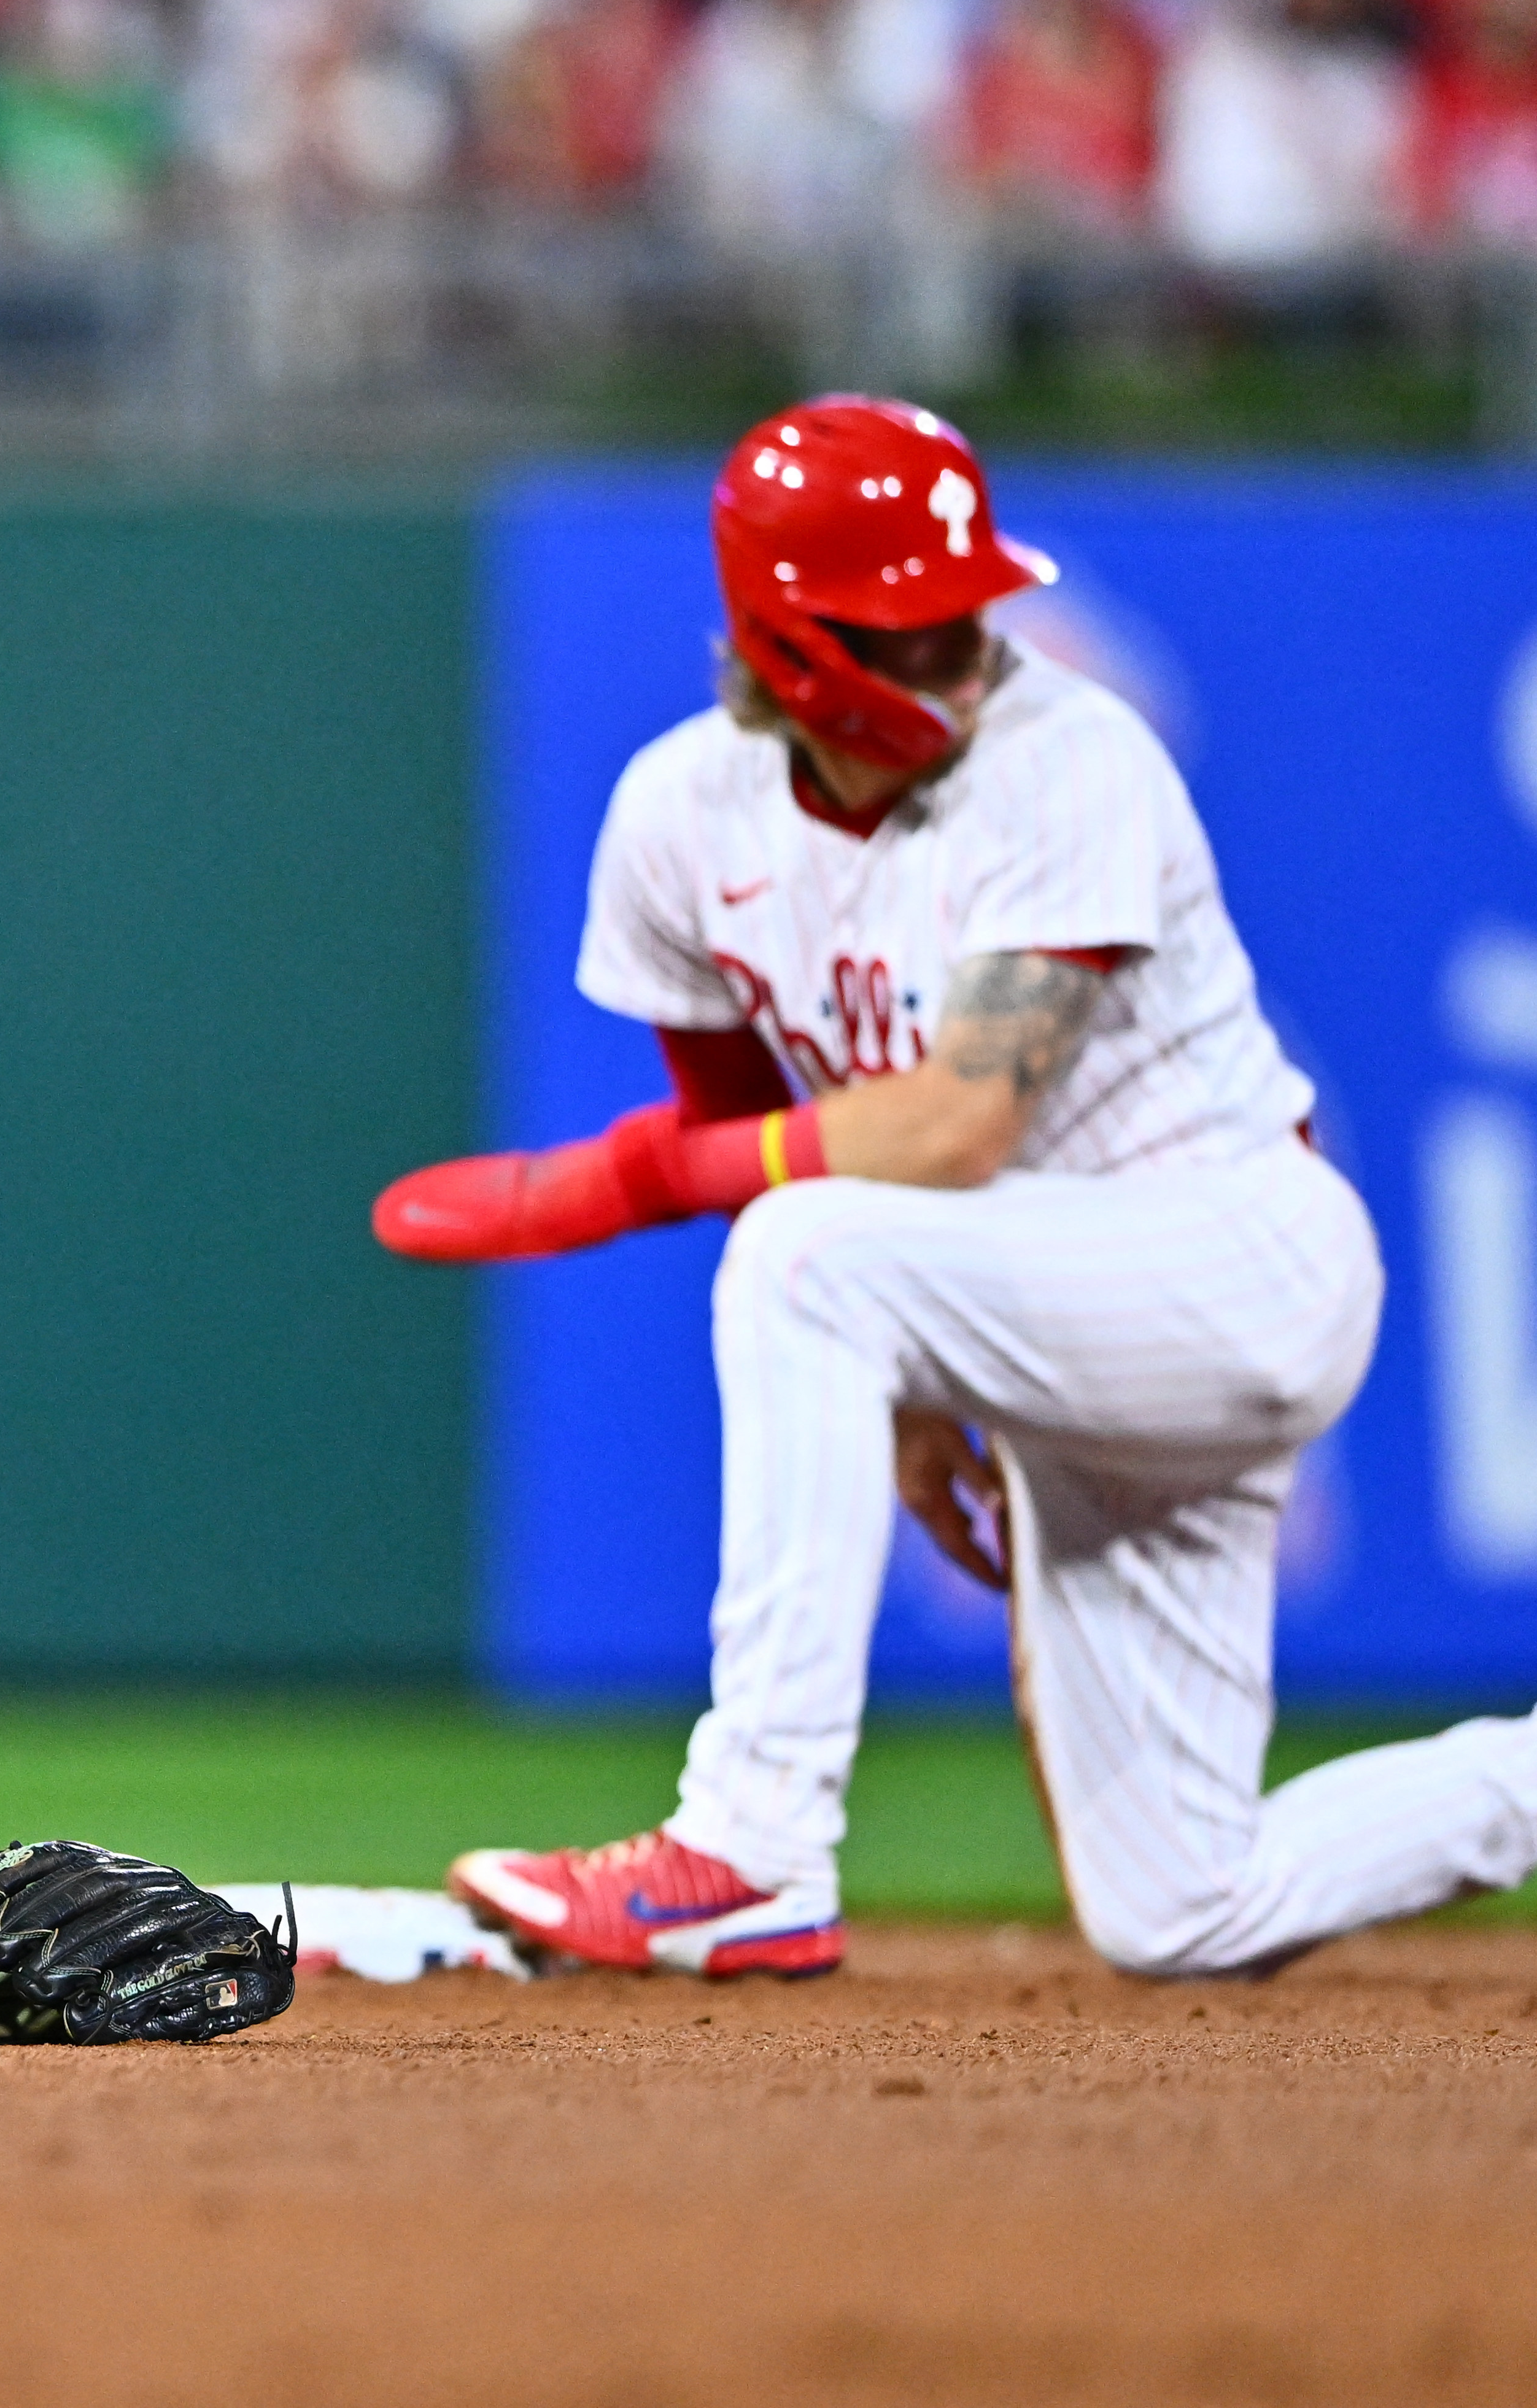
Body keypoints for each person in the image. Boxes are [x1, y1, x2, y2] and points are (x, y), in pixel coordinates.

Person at [377, 395, 1537, 1981]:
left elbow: (950, 1132)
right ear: (791, 646)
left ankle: (751, 1844)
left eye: (968, 611)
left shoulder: (1068, 757)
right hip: (1059, 1327)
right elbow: (758, 1128)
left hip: (1234, 1257)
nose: (965, 651)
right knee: (1180, 1907)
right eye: (913, 628)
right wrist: (908, 1398)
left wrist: (612, 1183)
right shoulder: (675, 817)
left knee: (802, 1248)